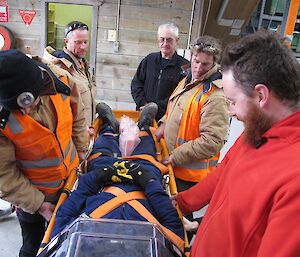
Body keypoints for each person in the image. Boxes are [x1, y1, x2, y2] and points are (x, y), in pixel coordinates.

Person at [173, 30, 300, 257]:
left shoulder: (294, 179)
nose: (231, 111)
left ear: (261, 96)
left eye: (232, 101)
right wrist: (180, 203)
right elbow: (222, 173)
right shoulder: (256, 133)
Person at [52, 102, 185, 251]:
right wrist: (148, 181)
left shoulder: (73, 247)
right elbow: (173, 225)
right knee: (146, 150)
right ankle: (144, 127)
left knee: (103, 149)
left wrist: (96, 177)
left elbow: (65, 213)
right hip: (144, 177)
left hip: (102, 177)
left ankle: (109, 127)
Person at [0, 50, 88, 257]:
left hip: (71, 186)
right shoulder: (3, 121)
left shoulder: (63, 82)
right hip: (32, 200)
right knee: (33, 248)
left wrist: (82, 151)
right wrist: (39, 205)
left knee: (67, 246)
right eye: (16, 108)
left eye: (26, 103)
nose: (26, 113)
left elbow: (78, 117)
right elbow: (4, 175)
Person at [155, 36, 229, 192]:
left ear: (215, 64)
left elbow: (212, 141)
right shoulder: (187, 80)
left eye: (205, 64)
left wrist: (175, 157)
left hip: (190, 178)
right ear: (191, 57)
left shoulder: (216, 96)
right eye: (196, 61)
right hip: (172, 167)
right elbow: (174, 110)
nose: (199, 68)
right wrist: (163, 125)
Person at [43, 21, 96, 133]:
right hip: (73, 135)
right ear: (66, 41)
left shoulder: (83, 65)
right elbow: (58, 108)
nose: (83, 47)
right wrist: (82, 130)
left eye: (85, 42)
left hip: (87, 132)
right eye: (78, 42)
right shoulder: (59, 68)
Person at [131, 23, 190, 120]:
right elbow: (136, 83)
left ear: (177, 40)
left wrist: (156, 108)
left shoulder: (185, 67)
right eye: (162, 39)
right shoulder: (149, 60)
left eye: (169, 40)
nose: (165, 43)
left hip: (168, 118)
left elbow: (182, 96)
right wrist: (143, 104)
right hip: (143, 113)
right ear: (158, 39)